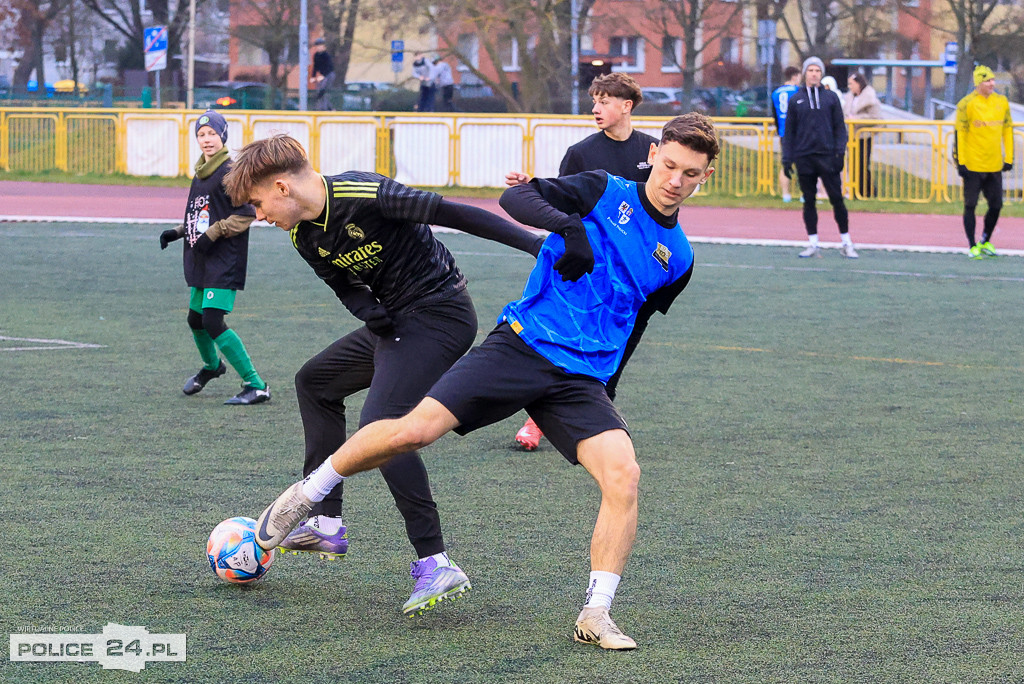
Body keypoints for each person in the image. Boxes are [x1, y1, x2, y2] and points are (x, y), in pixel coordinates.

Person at [253, 113, 720, 650]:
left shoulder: (679, 258)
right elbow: (517, 199)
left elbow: (635, 322)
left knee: (624, 476)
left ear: (704, 176)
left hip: (581, 379)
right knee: (411, 430)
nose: (675, 180)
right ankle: (306, 496)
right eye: (669, 165)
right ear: (654, 154)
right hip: (522, 345)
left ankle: (596, 613)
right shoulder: (602, 189)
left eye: (690, 173)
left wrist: (607, 387)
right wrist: (566, 229)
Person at [222, 134, 545, 614]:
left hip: (441, 314)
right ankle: (326, 523)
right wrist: (367, 309)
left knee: (383, 429)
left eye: (258, 203)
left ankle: (435, 562)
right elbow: (342, 283)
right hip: (394, 324)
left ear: (282, 187)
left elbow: (455, 214)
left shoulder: (364, 193)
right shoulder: (303, 234)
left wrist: (536, 244)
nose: (259, 215)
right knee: (315, 382)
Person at [503, 72, 660, 452]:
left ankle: (600, 415)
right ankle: (538, 418)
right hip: (589, 267)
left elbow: (660, 208)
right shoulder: (581, 153)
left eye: (604, 101)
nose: (595, 108)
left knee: (616, 346)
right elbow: (562, 201)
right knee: (569, 340)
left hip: (632, 272)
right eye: (594, 101)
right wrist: (533, 184)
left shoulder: (653, 152)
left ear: (627, 106)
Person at [159, 110, 269, 405]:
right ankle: (212, 367)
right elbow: (201, 216)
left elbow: (246, 214)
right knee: (195, 319)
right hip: (202, 259)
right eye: (201, 134)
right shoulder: (201, 173)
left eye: (212, 133)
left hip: (223, 259)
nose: (206, 139)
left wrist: (215, 233)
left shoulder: (230, 172)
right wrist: (177, 232)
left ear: (223, 135)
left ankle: (256, 385)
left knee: (212, 320)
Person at [782, 56, 857, 259]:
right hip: (804, 157)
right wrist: (787, 159)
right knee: (809, 201)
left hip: (827, 156)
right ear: (805, 73)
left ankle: (846, 242)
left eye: (817, 70)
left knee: (837, 199)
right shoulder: (795, 100)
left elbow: (839, 128)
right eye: (810, 70)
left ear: (821, 73)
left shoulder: (831, 98)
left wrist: (840, 153)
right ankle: (813, 244)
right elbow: (789, 132)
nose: (814, 74)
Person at [955, 64, 1013, 259]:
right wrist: (961, 162)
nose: (992, 84)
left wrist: (1009, 157)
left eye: (993, 80)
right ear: (978, 83)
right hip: (973, 165)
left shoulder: (1001, 102)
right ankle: (972, 245)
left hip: (994, 165)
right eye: (988, 80)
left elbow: (1007, 129)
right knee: (970, 205)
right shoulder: (966, 104)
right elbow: (960, 134)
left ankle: (985, 240)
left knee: (996, 205)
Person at [844, 72, 882, 199]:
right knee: (852, 164)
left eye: (851, 84)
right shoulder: (850, 98)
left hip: (864, 136)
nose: (849, 86)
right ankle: (856, 190)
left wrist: (857, 119)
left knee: (862, 164)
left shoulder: (870, 99)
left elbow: (875, 117)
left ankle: (866, 191)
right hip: (852, 136)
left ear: (858, 84)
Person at [771, 66, 802, 202]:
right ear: (795, 76)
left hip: (784, 133)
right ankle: (804, 194)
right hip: (799, 132)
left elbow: (775, 115)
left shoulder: (776, 93)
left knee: (786, 164)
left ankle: (786, 194)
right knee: (803, 163)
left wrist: (779, 131)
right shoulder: (798, 91)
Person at [311, 38, 335, 111]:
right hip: (322, 75)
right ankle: (324, 108)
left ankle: (326, 108)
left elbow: (329, 67)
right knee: (319, 91)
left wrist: (323, 76)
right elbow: (315, 66)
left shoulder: (326, 55)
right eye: (317, 46)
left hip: (329, 74)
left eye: (320, 46)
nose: (319, 47)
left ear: (324, 47)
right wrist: (313, 76)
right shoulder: (316, 55)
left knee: (323, 90)